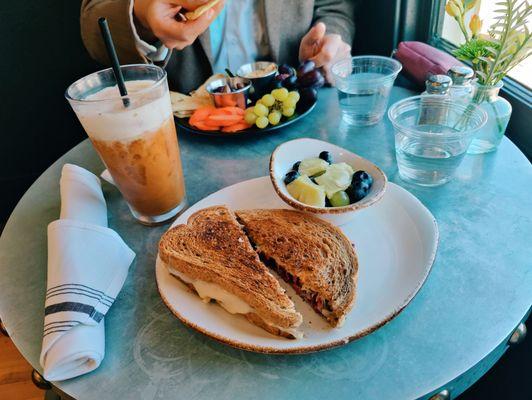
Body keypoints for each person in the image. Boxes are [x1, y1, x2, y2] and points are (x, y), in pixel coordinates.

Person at [81, 0, 354, 93]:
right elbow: (95, 26)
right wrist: (141, 15)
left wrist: (328, 39)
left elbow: (333, 9)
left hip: (291, 112)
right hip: (182, 135)